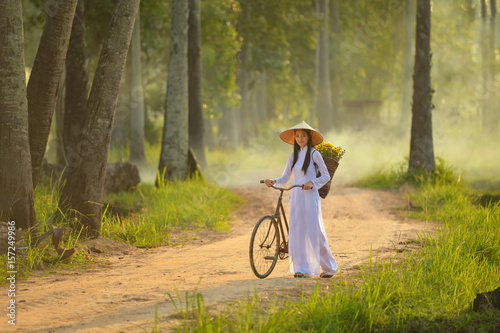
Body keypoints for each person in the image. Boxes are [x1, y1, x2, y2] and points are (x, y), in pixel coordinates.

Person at [264, 121, 338, 278]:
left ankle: (329, 267)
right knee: (298, 230)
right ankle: (302, 268)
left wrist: (312, 183)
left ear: (309, 137)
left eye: (303, 135)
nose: (300, 139)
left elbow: (325, 176)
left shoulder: (314, 154)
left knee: (314, 230)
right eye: (297, 136)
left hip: (310, 195)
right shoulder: (293, 156)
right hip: (297, 195)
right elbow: (285, 178)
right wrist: (274, 181)